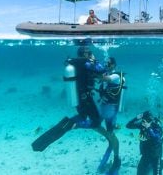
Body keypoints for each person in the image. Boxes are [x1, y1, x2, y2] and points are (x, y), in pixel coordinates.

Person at [32, 43, 121, 174]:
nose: (90, 53)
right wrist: (93, 59)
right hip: (85, 100)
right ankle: (73, 124)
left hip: (80, 100)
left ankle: (66, 126)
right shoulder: (86, 62)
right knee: (95, 123)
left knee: (88, 119)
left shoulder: (75, 63)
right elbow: (100, 70)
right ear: (85, 54)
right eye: (88, 52)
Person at [126, 111, 163, 175]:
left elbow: (157, 139)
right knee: (140, 172)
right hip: (146, 154)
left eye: (147, 121)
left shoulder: (156, 127)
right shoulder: (142, 125)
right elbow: (128, 125)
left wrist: (149, 128)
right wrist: (136, 118)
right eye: (143, 120)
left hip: (156, 155)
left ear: (151, 121)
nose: (144, 122)